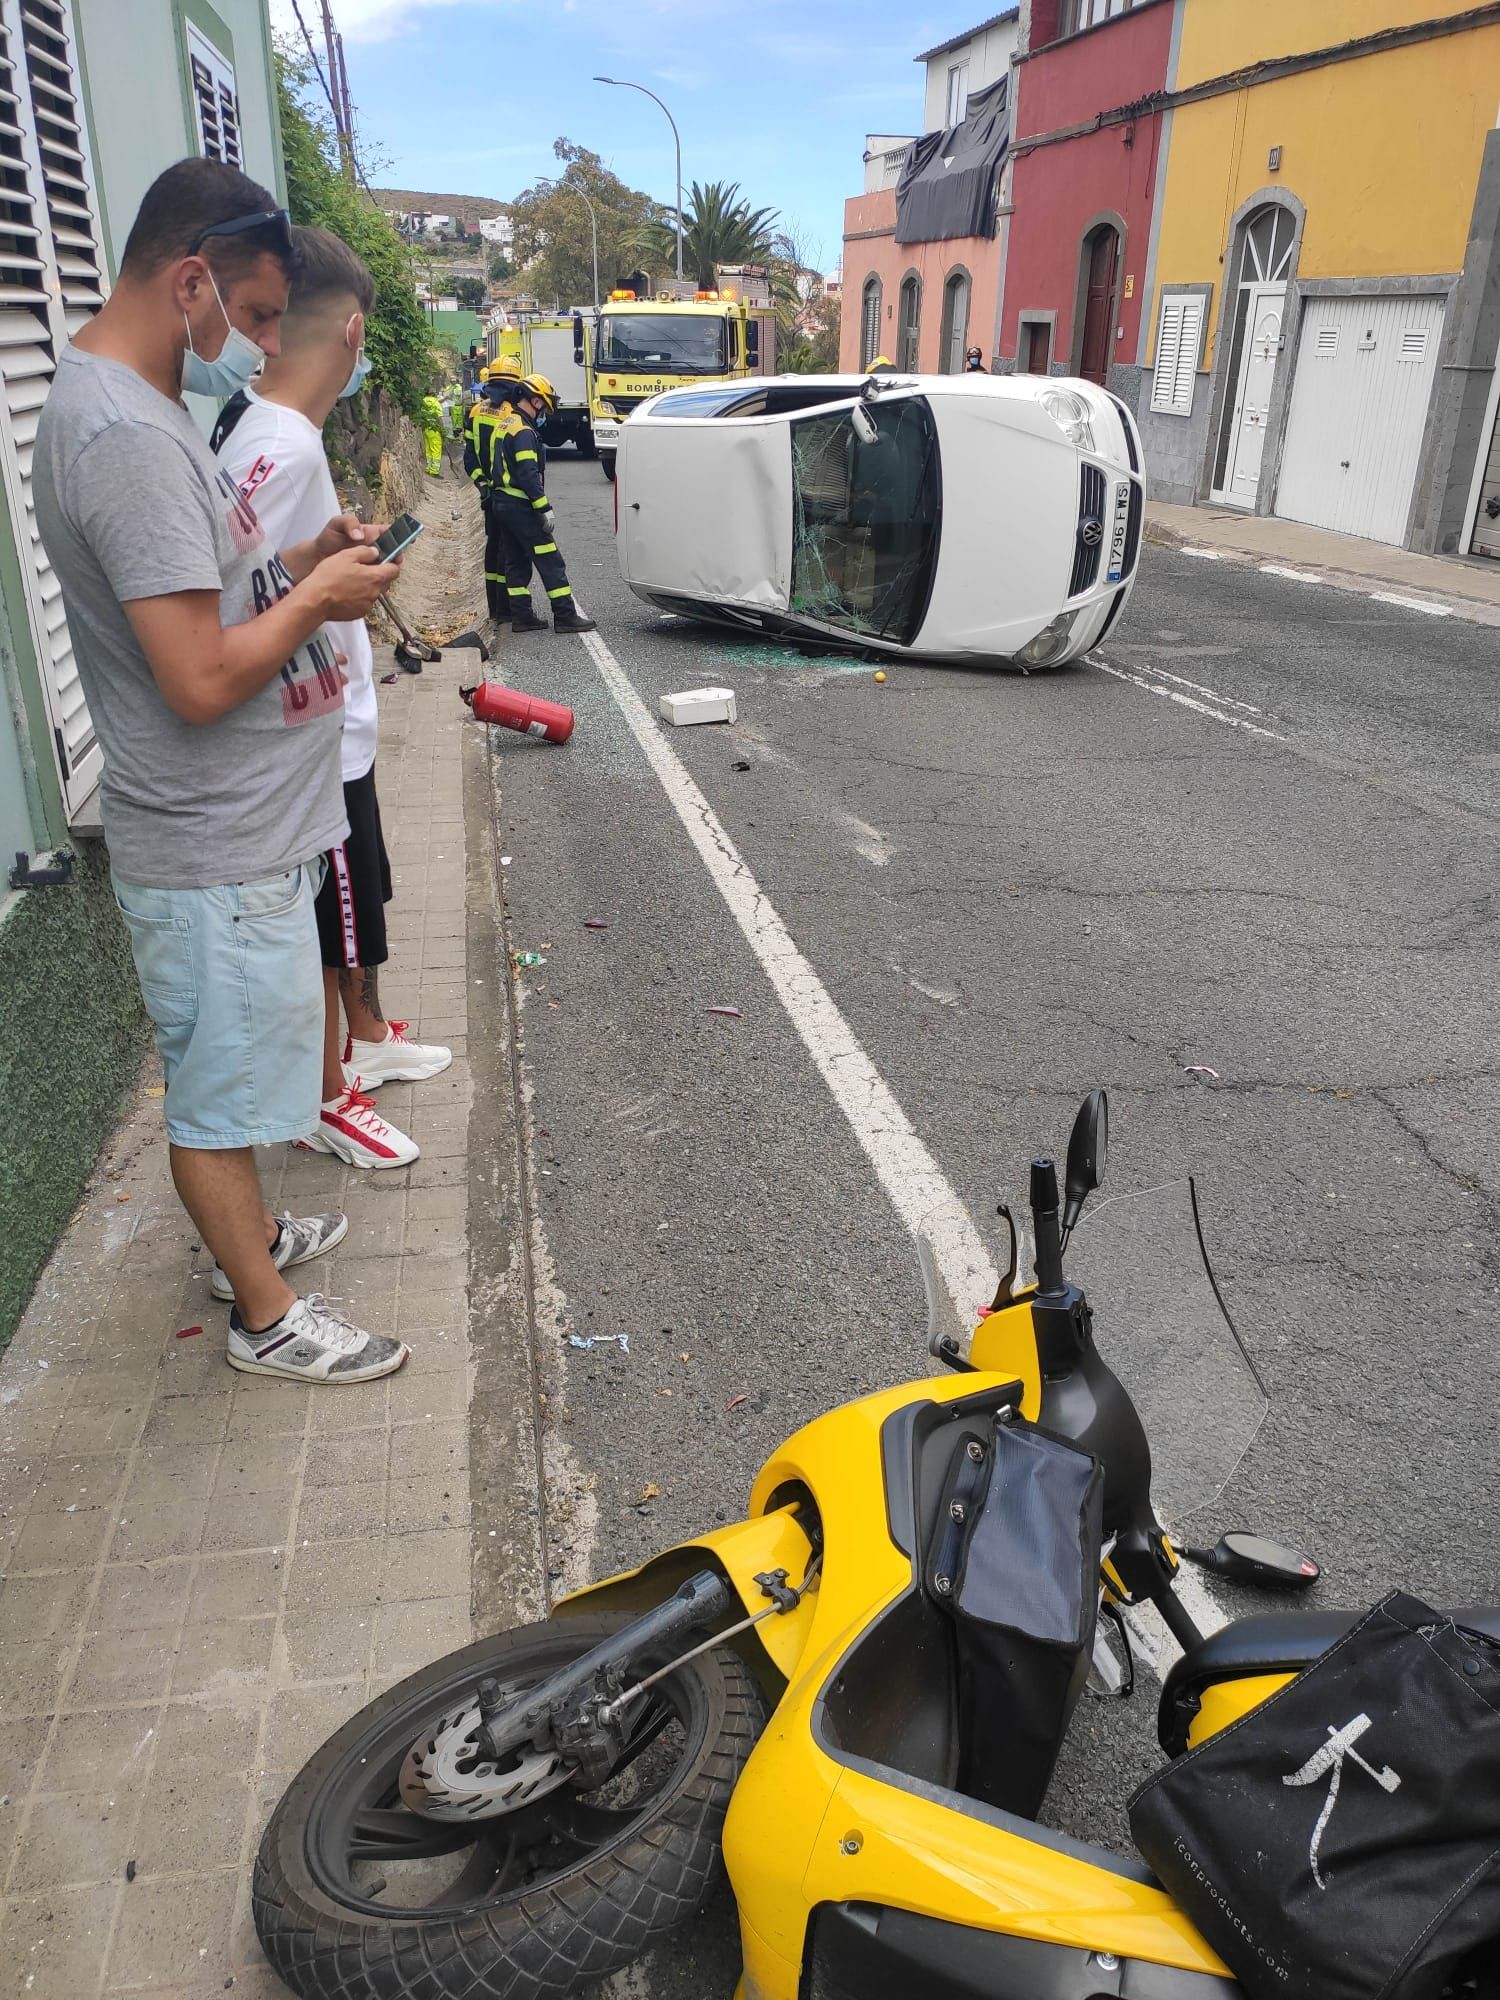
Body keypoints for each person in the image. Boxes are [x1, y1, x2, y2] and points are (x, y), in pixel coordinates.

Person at [33, 156, 409, 1384]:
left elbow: (206, 590)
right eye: (248, 317)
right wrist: (314, 599)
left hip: (240, 832)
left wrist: (304, 553)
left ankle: (246, 1233)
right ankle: (265, 1313)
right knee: (219, 1090)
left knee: (241, 1067)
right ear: (190, 279)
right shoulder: (130, 438)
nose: (255, 351)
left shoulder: (139, 408)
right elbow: (195, 677)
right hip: (213, 842)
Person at [214, 223, 451, 1176]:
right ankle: (326, 1095)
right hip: (307, 739)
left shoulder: (263, 432)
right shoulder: (284, 446)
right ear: (352, 332)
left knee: (348, 914)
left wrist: (326, 561)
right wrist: (327, 584)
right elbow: (239, 600)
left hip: (319, 727)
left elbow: (256, 571)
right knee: (329, 924)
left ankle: (355, 1051)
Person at [491, 373, 596, 634]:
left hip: (501, 502)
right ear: (535, 401)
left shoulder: (504, 424)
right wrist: (543, 506)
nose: (545, 412)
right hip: (521, 506)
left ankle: (522, 617)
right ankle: (565, 615)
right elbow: (528, 474)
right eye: (545, 406)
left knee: (515, 561)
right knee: (551, 560)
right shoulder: (524, 431)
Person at [465, 366, 520, 628]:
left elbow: (469, 456)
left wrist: (481, 484)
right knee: (510, 548)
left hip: (488, 493)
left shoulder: (475, 411)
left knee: (493, 545)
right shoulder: (513, 414)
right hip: (509, 493)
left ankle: (495, 608)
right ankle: (508, 607)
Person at [420, 389, 445, 475]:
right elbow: (439, 418)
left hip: (425, 428)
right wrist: (442, 430)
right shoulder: (436, 403)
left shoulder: (422, 402)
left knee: (428, 449)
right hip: (435, 429)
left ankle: (428, 467)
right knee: (436, 449)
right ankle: (434, 471)